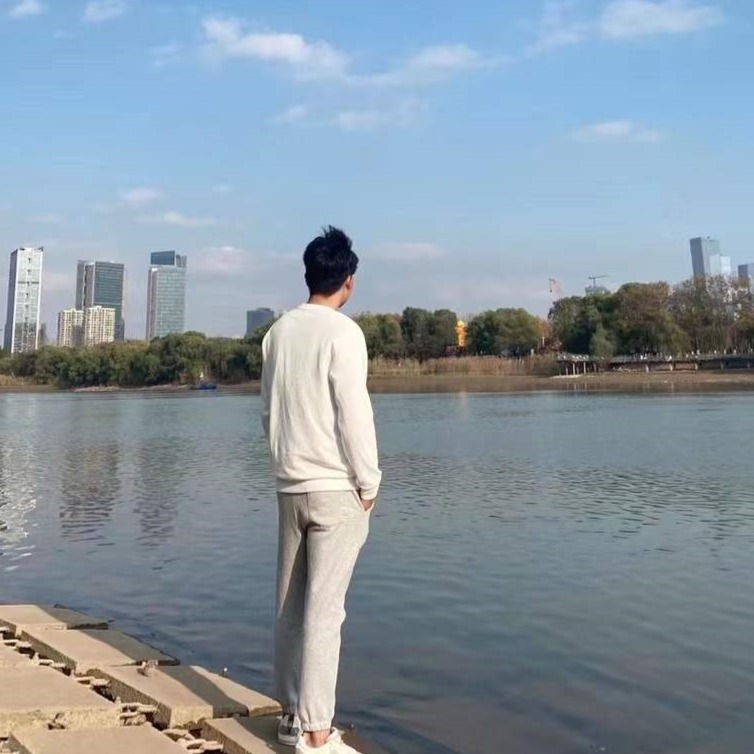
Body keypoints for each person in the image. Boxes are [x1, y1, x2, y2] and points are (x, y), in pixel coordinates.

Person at [261, 226, 382, 753]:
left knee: (290, 607)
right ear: (348, 280)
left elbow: (268, 410)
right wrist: (368, 482)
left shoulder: (277, 333)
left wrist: (283, 465)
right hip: (335, 487)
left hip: (290, 485)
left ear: (309, 275)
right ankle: (315, 733)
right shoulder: (343, 333)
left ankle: (291, 716)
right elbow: (354, 412)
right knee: (325, 612)